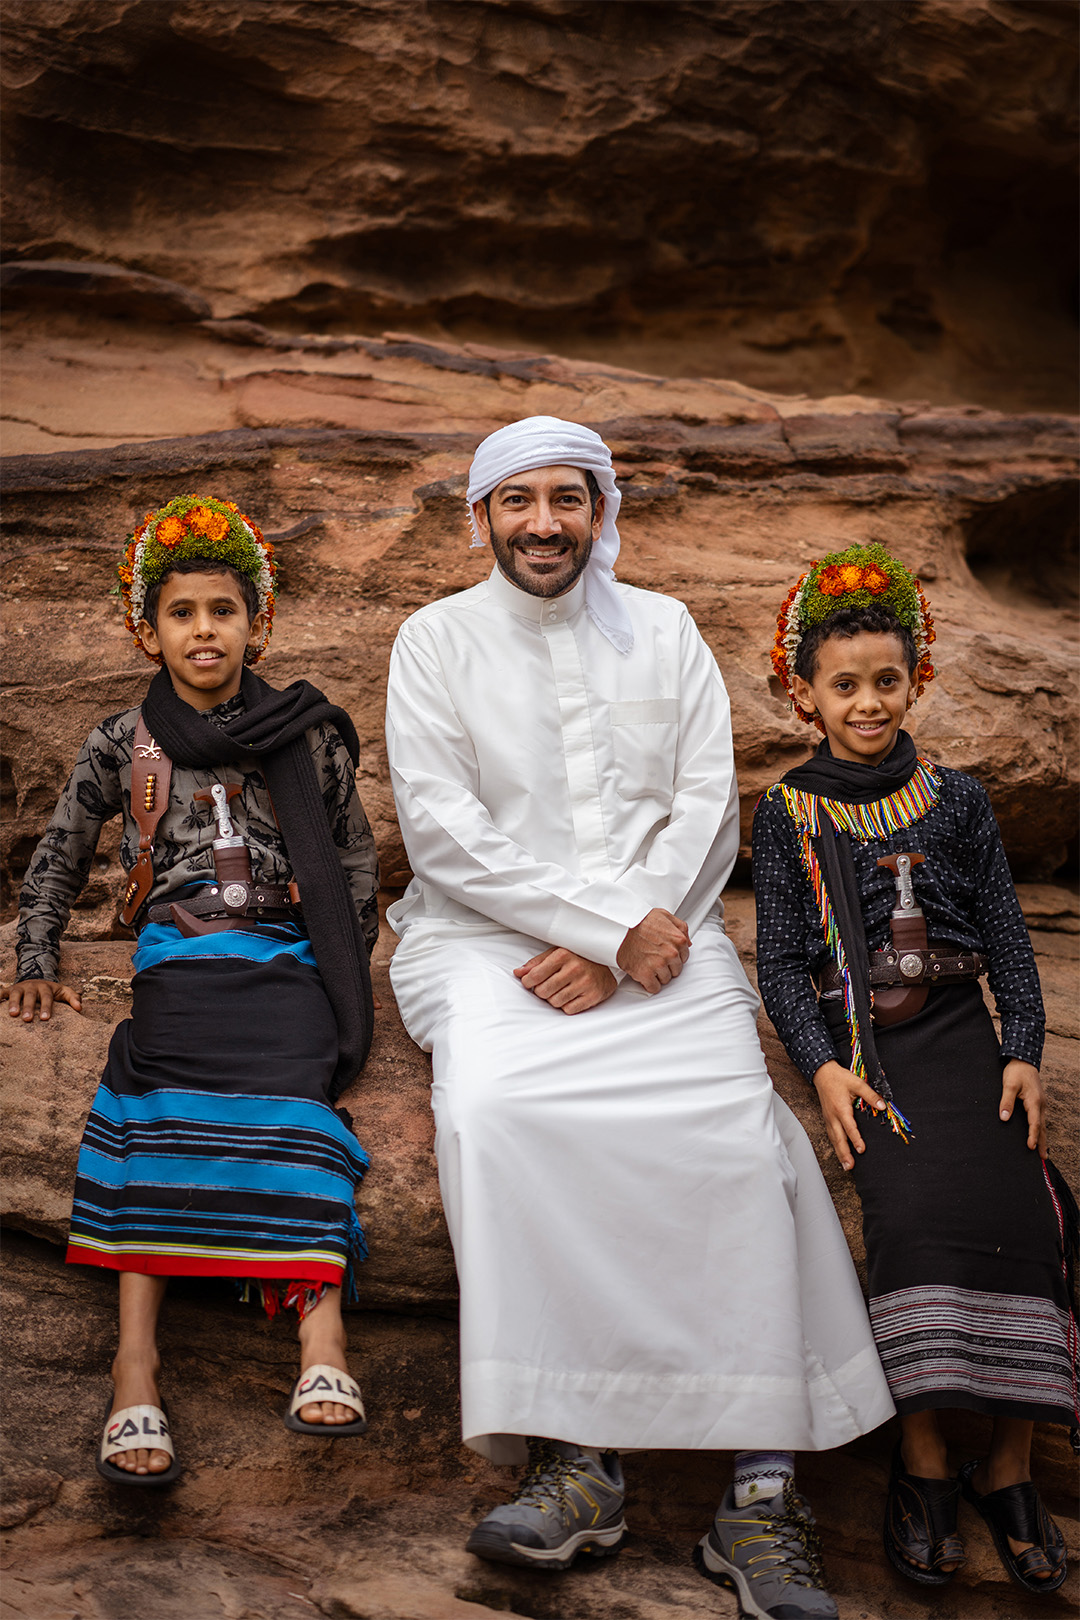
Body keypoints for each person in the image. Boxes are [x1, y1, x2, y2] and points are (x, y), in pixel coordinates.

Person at [384, 416, 895, 1618]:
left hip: (663, 939)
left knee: (733, 1130)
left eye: (568, 498)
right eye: (519, 503)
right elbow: (445, 831)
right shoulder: (434, 640)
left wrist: (635, 936)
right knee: (500, 1115)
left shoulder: (662, 629)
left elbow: (708, 800)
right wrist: (595, 934)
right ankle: (577, 1465)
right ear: (482, 519)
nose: (545, 523)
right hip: (486, 943)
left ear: (602, 511)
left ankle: (759, 1497)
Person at [8, 494, 379, 1486]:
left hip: (286, 963)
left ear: (256, 621)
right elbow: (56, 856)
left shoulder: (306, 735)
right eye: (183, 613)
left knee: (300, 1104)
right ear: (149, 627)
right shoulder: (121, 742)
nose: (204, 630)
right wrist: (35, 959)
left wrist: (349, 982)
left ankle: (322, 1342)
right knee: (153, 1106)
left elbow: (351, 863)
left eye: (223, 610)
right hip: (178, 963)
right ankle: (136, 1365)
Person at [752, 542, 1077, 1597]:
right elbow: (786, 967)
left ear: (917, 677)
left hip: (960, 1037)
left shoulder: (958, 801)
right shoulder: (790, 812)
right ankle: (928, 1452)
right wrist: (823, 1070)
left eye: (886, 680)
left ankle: (1009, 1464)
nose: (868, 702)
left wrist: (1022, 1048)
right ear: (804, 693)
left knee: (1028, 1211)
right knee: (913, 1215)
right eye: (843, 685)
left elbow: (1006, 937)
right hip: (871, 1049)